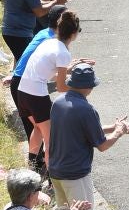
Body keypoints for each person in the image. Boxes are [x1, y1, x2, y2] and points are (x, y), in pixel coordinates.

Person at [47, 61, 129, 210]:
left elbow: (82, 129)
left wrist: (114, 127)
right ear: (89, 87)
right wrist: (118, 132)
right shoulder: (87, 109)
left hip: (56, 172)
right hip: (76, 175)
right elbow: (102, 145)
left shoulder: (58, 102)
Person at [15, 10, 83, 172]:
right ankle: (54, 179)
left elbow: (49, 74)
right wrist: (80, 91)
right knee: (51, 139)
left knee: (38, 128)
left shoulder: (48, 42)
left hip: (22, 91)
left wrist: (68, 69)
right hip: (36, 96)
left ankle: (32, 169)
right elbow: (60, 87)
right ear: (73, 34)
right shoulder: (63, 52)